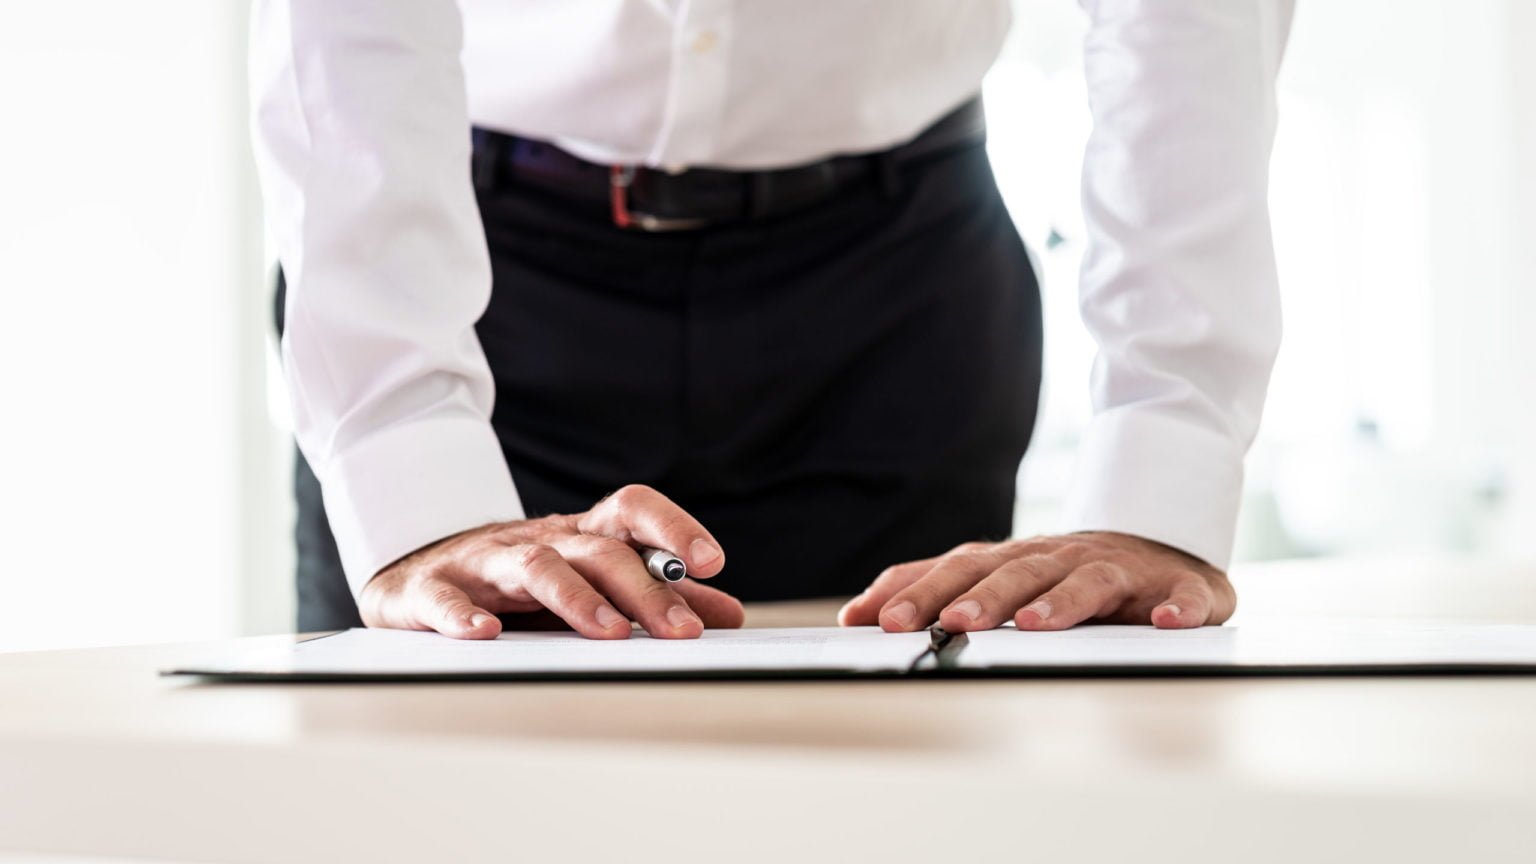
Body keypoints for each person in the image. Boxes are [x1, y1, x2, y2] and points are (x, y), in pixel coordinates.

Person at [251, 0, 1293, 640]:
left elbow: (1184, 21)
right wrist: (412, 481)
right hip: (474, 274)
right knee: (429, 807)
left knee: (878, 814)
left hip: (892, 288)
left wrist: (1161, 475)